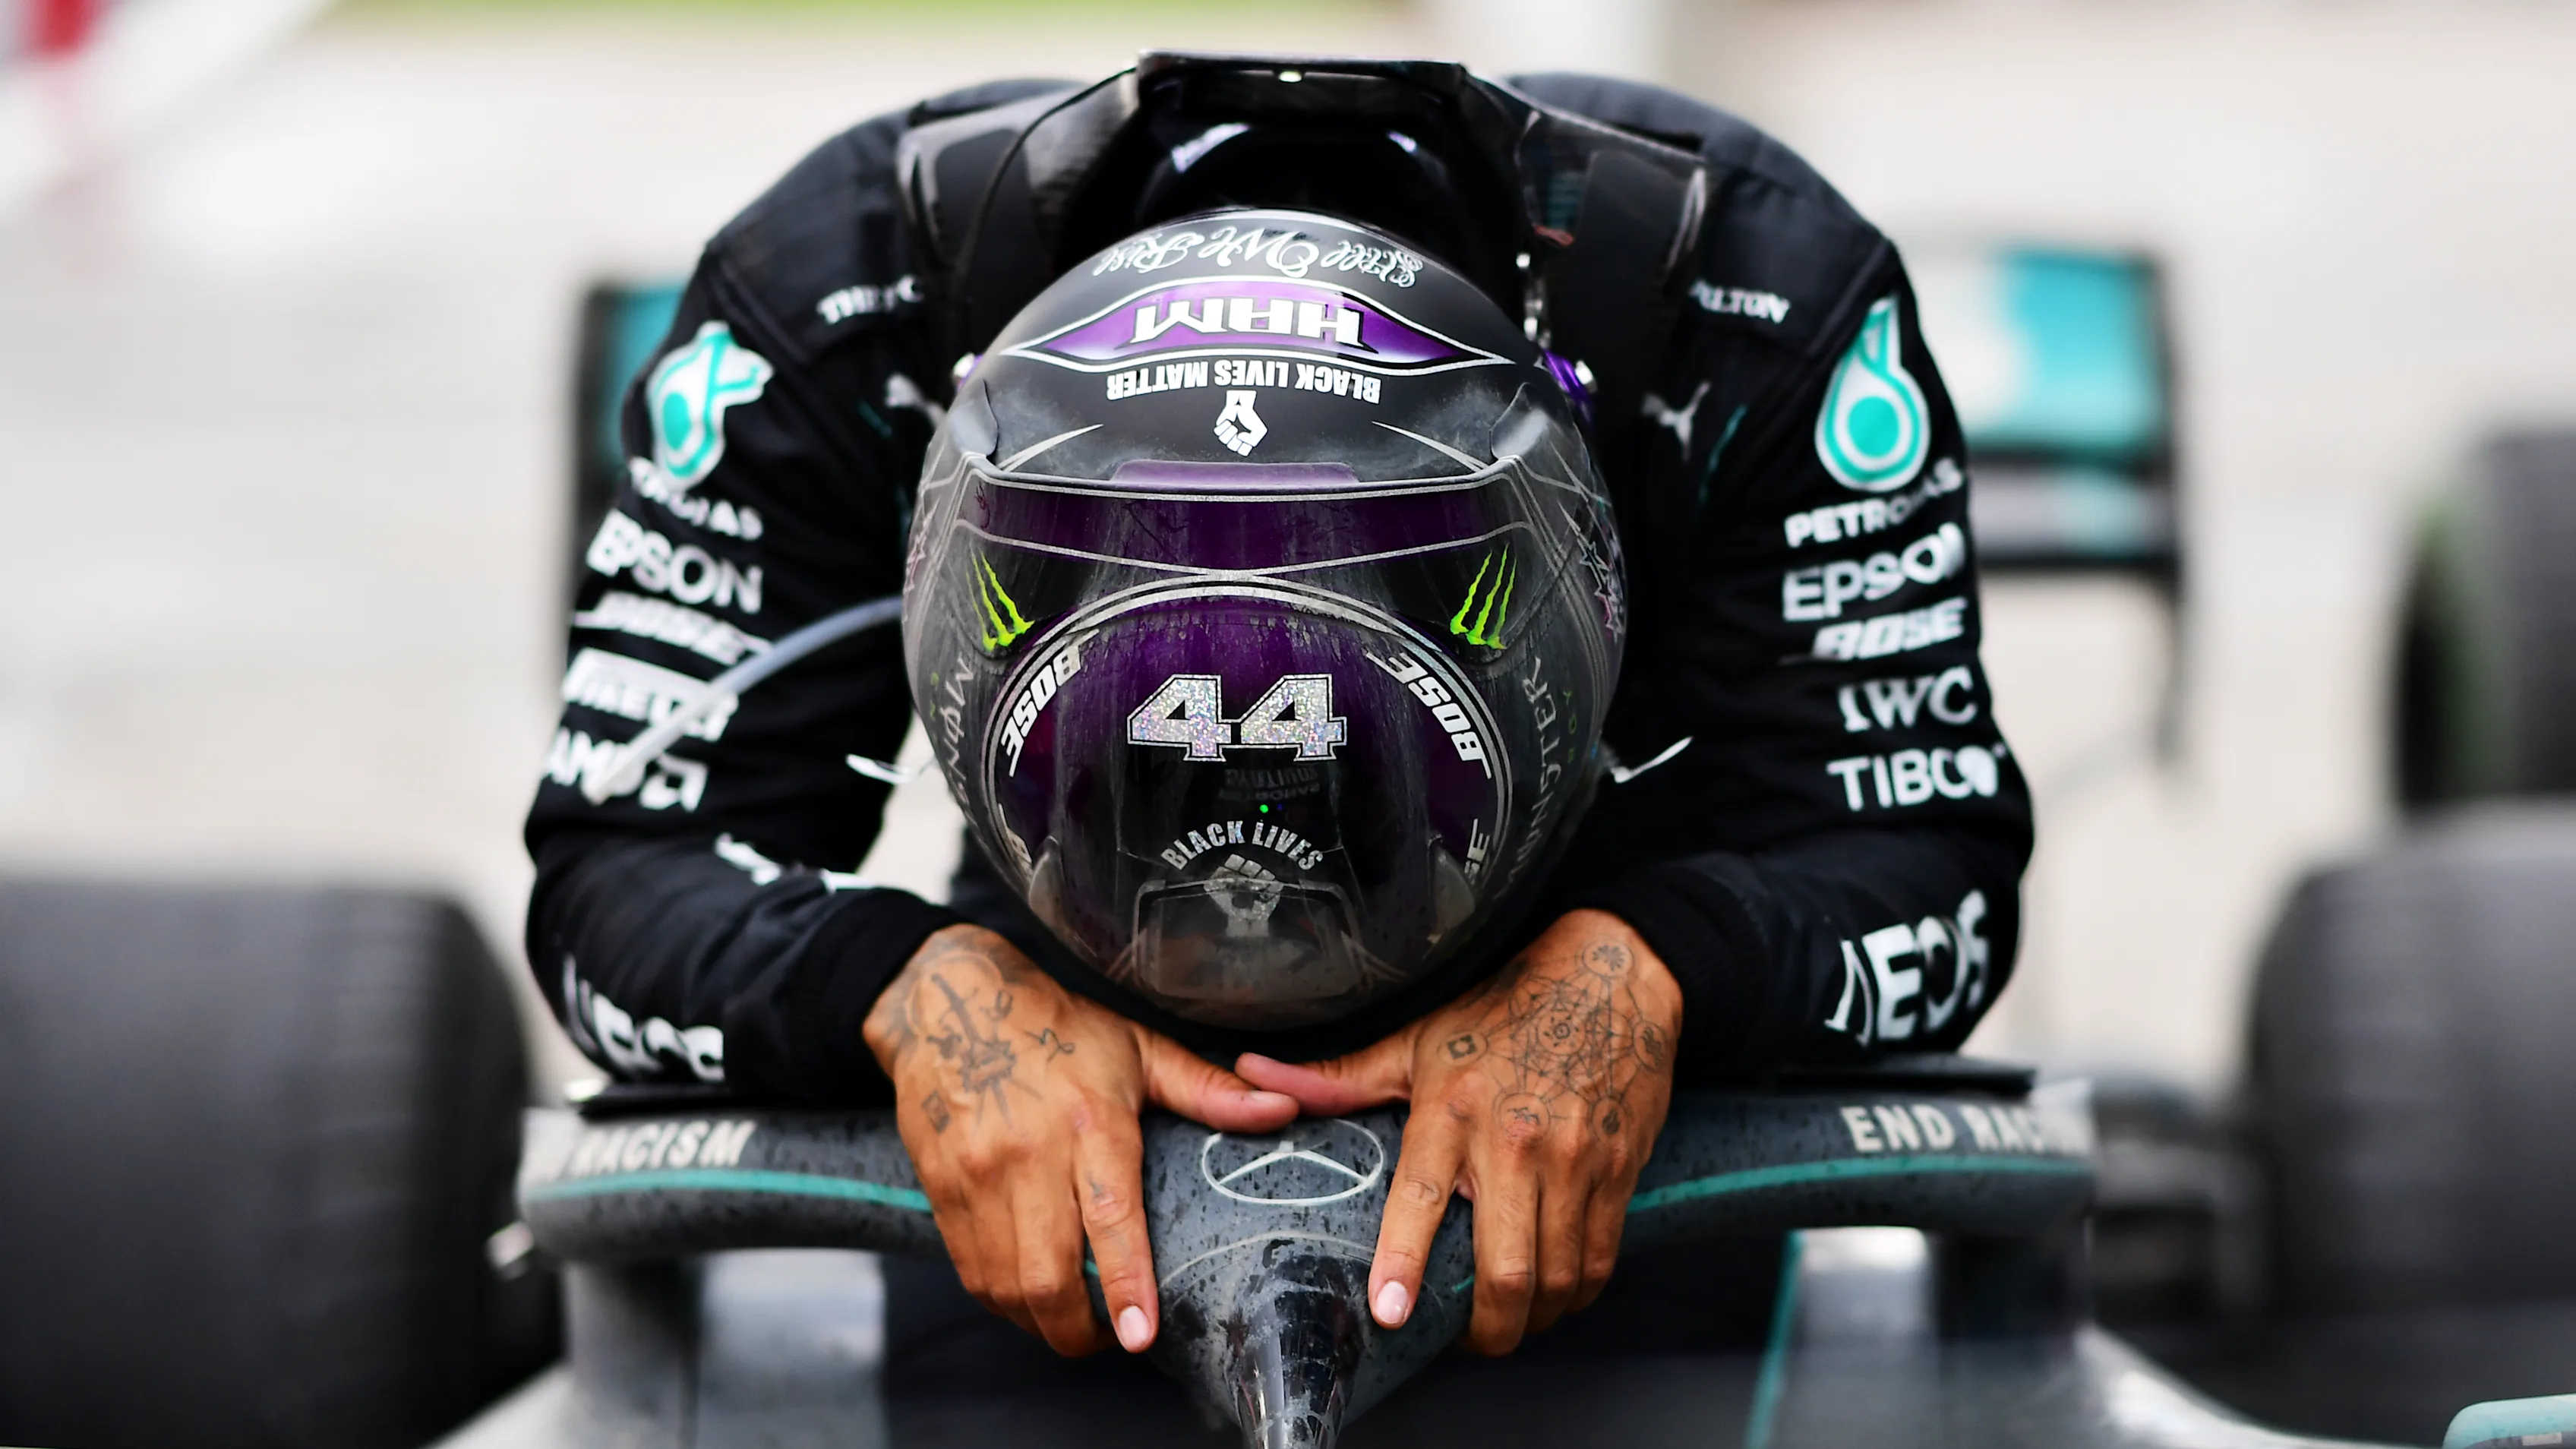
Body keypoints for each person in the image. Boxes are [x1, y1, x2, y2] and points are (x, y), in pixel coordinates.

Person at [525, 56, 2032, 1375]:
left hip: (1579, 975)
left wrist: (1645, 976)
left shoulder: (1748, 309)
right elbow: (621, 866)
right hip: (1055, 993)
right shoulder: (839, 307)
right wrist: (921, 1000)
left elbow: (1919, 849)